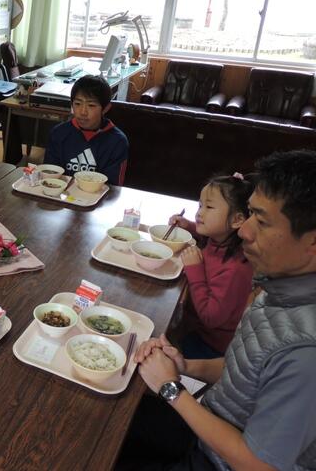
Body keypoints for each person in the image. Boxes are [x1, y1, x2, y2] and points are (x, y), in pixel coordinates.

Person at [117, 149, 316, 471]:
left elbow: (260, 465)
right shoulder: (279, 287)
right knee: (106, 417)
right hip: (210, 424)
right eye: (249, 214)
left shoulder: (306, 353)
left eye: (261, 221)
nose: (244, 230)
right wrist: (184, 366)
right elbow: (246, 371)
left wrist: (171, 389)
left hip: (218, 461)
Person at [170, 173, 255, 358]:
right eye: (200, 205)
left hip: (208, 344)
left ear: (237, 220)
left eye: (209, 207)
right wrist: (189, 226)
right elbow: (210, 234)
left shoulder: (236, 268)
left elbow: (211, 318)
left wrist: (195, 270)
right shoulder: (221, 238)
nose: (199, 213)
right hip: (192, 323)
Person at [43, 74, 129, 185]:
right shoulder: (58, 133)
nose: (83, 112)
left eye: (91, 105)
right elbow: (50, 175)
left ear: (105, 108)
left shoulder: (117, 141)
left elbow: (113, 187)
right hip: (63, 193)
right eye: (77, 104)